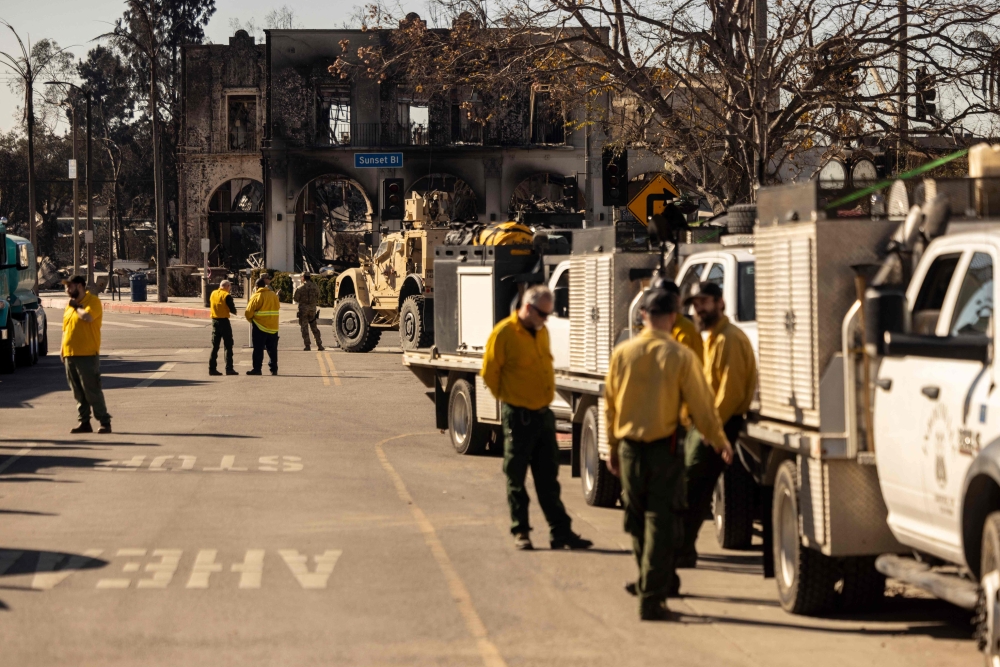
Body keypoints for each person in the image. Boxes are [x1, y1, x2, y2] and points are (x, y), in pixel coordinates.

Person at [604, 286, 733, 620]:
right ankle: (650, 596)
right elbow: (702, 407)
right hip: (665, 450)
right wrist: (720, 440)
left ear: (643, 315)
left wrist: (613, 448)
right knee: (661, 523)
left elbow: (610, 407)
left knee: (636, 520)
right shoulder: (680, 356)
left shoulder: (623, 354)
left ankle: (648, 584)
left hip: (630, 450)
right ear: (673, 317)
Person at [481, 284, 592, 552]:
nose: (546, 320)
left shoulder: (540, 333)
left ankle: (560, 533)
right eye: (543, 314)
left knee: (548, 479)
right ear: (528, 308)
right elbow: (489, 374)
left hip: (543, 416)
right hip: (519, 417)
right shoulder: (504, 333)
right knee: (516, 477)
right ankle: (521, 531)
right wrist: (510, 400)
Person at [678, 281, 757, 567]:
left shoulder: (729, 340)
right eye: (696, 304)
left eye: (705, 302)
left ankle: (679, 552)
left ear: (721, 303)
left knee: (690, 492)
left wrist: (713, 431)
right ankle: (683, 552)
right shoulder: (710, 337)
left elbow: (730, 393)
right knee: (694, 494)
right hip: (704, 425)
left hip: (716, 427)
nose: (699, 308)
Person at [61, 275, 112, 434]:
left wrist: (77, 307)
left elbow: (88, 318)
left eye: (70, 286)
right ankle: (84, 422)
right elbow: (65, 329)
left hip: (87, 354)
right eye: (66, 287)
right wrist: (62, 350)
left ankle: (104, 421)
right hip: (70, 354)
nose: (67, 289)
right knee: (77, 391)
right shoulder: (70, 306)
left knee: (92, 390)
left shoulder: (93, 302)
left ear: (80, 286)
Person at [245, 277, 280, 376]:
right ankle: (274, 369)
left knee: (258, 349)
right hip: (273, 326)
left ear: (256, 286)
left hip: (260, 326)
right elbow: (278, 307)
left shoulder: (257, 296)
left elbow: (248, 312)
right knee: (272, 349)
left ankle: (257, 369)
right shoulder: (273, 295)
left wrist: (251, 320)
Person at [208, 280, 239, 376]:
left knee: (215, 346)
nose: (230, 289)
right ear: (227, 286)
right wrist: (235, 311)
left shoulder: (213, 293)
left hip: (214, 321)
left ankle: (212, 369)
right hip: (224, 322)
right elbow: (233, 309)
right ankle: (229, 368)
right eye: (229, 287)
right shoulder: (227, 295)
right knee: (228, 346)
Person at [293, 273, 324, 351]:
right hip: (312, 309)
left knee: (304, 328)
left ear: (303, 278)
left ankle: (307, 345)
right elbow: (318, 296)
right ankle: (319, 345)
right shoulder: (315, 286)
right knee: (314, 327)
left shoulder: (300, 288)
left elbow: (295, 299)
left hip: (303, 310)